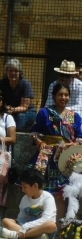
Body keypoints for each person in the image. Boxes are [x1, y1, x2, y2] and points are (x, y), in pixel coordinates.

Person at [31, 82, 82, 221]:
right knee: (42, 193)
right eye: (60, 94)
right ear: (54, 96)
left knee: (61, 195)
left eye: (66, 95)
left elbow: (80, 137)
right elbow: (34, 133)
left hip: (66, 160)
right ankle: (41, 229)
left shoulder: (74, 116)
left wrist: (74, 143)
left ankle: (59, 232)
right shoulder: (45, 113)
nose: (63, 97)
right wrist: (40, 142)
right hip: (47, 159)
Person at [1, 168, 56, 239]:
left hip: (42, 229)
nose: (23, 190)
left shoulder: (48, 198)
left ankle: (18, 236)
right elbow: (21, 218)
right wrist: (23, 227)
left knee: (51, 225)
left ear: (35, 186)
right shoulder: (24, 199)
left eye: (24, 187)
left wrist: (26, 226)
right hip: (28, 228)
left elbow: (46, 219)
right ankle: (32, 236)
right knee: (5, 221)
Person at [0, 58, 37, 131]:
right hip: (9, 110)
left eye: (16, 71)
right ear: (6, 72)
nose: (13, 73)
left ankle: (16, 135)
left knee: (19, 117)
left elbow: (24, 107)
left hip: (27, 112)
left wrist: (13, 109)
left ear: (20, 72)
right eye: (10, 71)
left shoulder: (25, 84)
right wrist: (6, 108)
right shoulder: (1, 83)